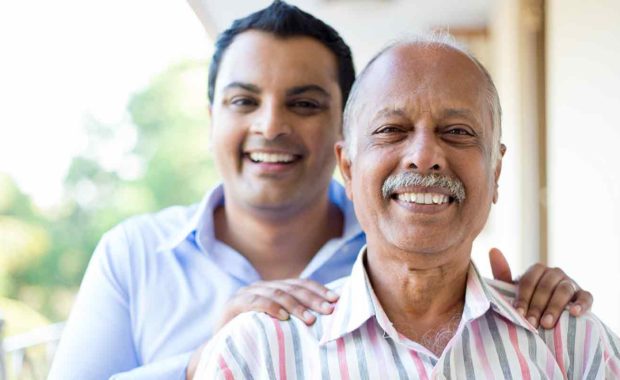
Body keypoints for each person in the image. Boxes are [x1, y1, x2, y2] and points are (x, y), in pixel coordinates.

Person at [48, 2, 593, 380]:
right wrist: (204, 361)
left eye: (304, 103)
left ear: (342, 133)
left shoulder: (403, 240)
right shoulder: (134, 255)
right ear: (211, 117)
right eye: (243, 101)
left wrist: (539, 305)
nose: (270, 125)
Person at [194, 34, 620, 379]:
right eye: (391, 130)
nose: (424, 155)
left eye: (457, 131)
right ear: (347, 166)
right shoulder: (257, 353)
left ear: (495, 171)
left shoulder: (572, 343)